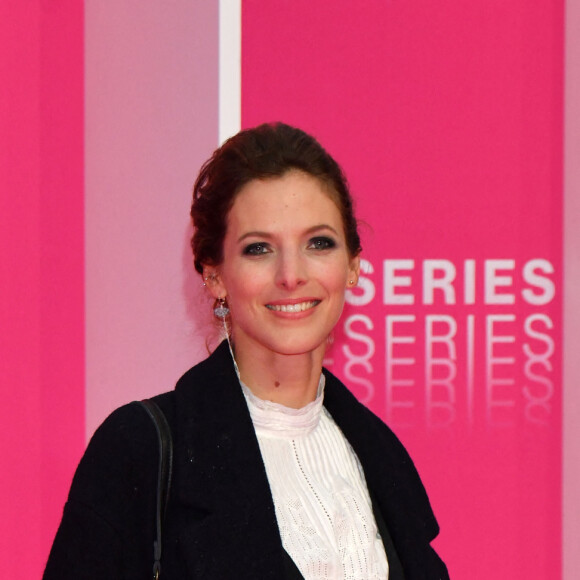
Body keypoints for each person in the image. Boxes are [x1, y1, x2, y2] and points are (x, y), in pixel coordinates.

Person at [44, 122, 449, 579]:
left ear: (352, 265)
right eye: (259, 249)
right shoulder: (138, 452)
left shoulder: (380, 458)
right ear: (215, 276)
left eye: (319, 243)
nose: (291, 274)